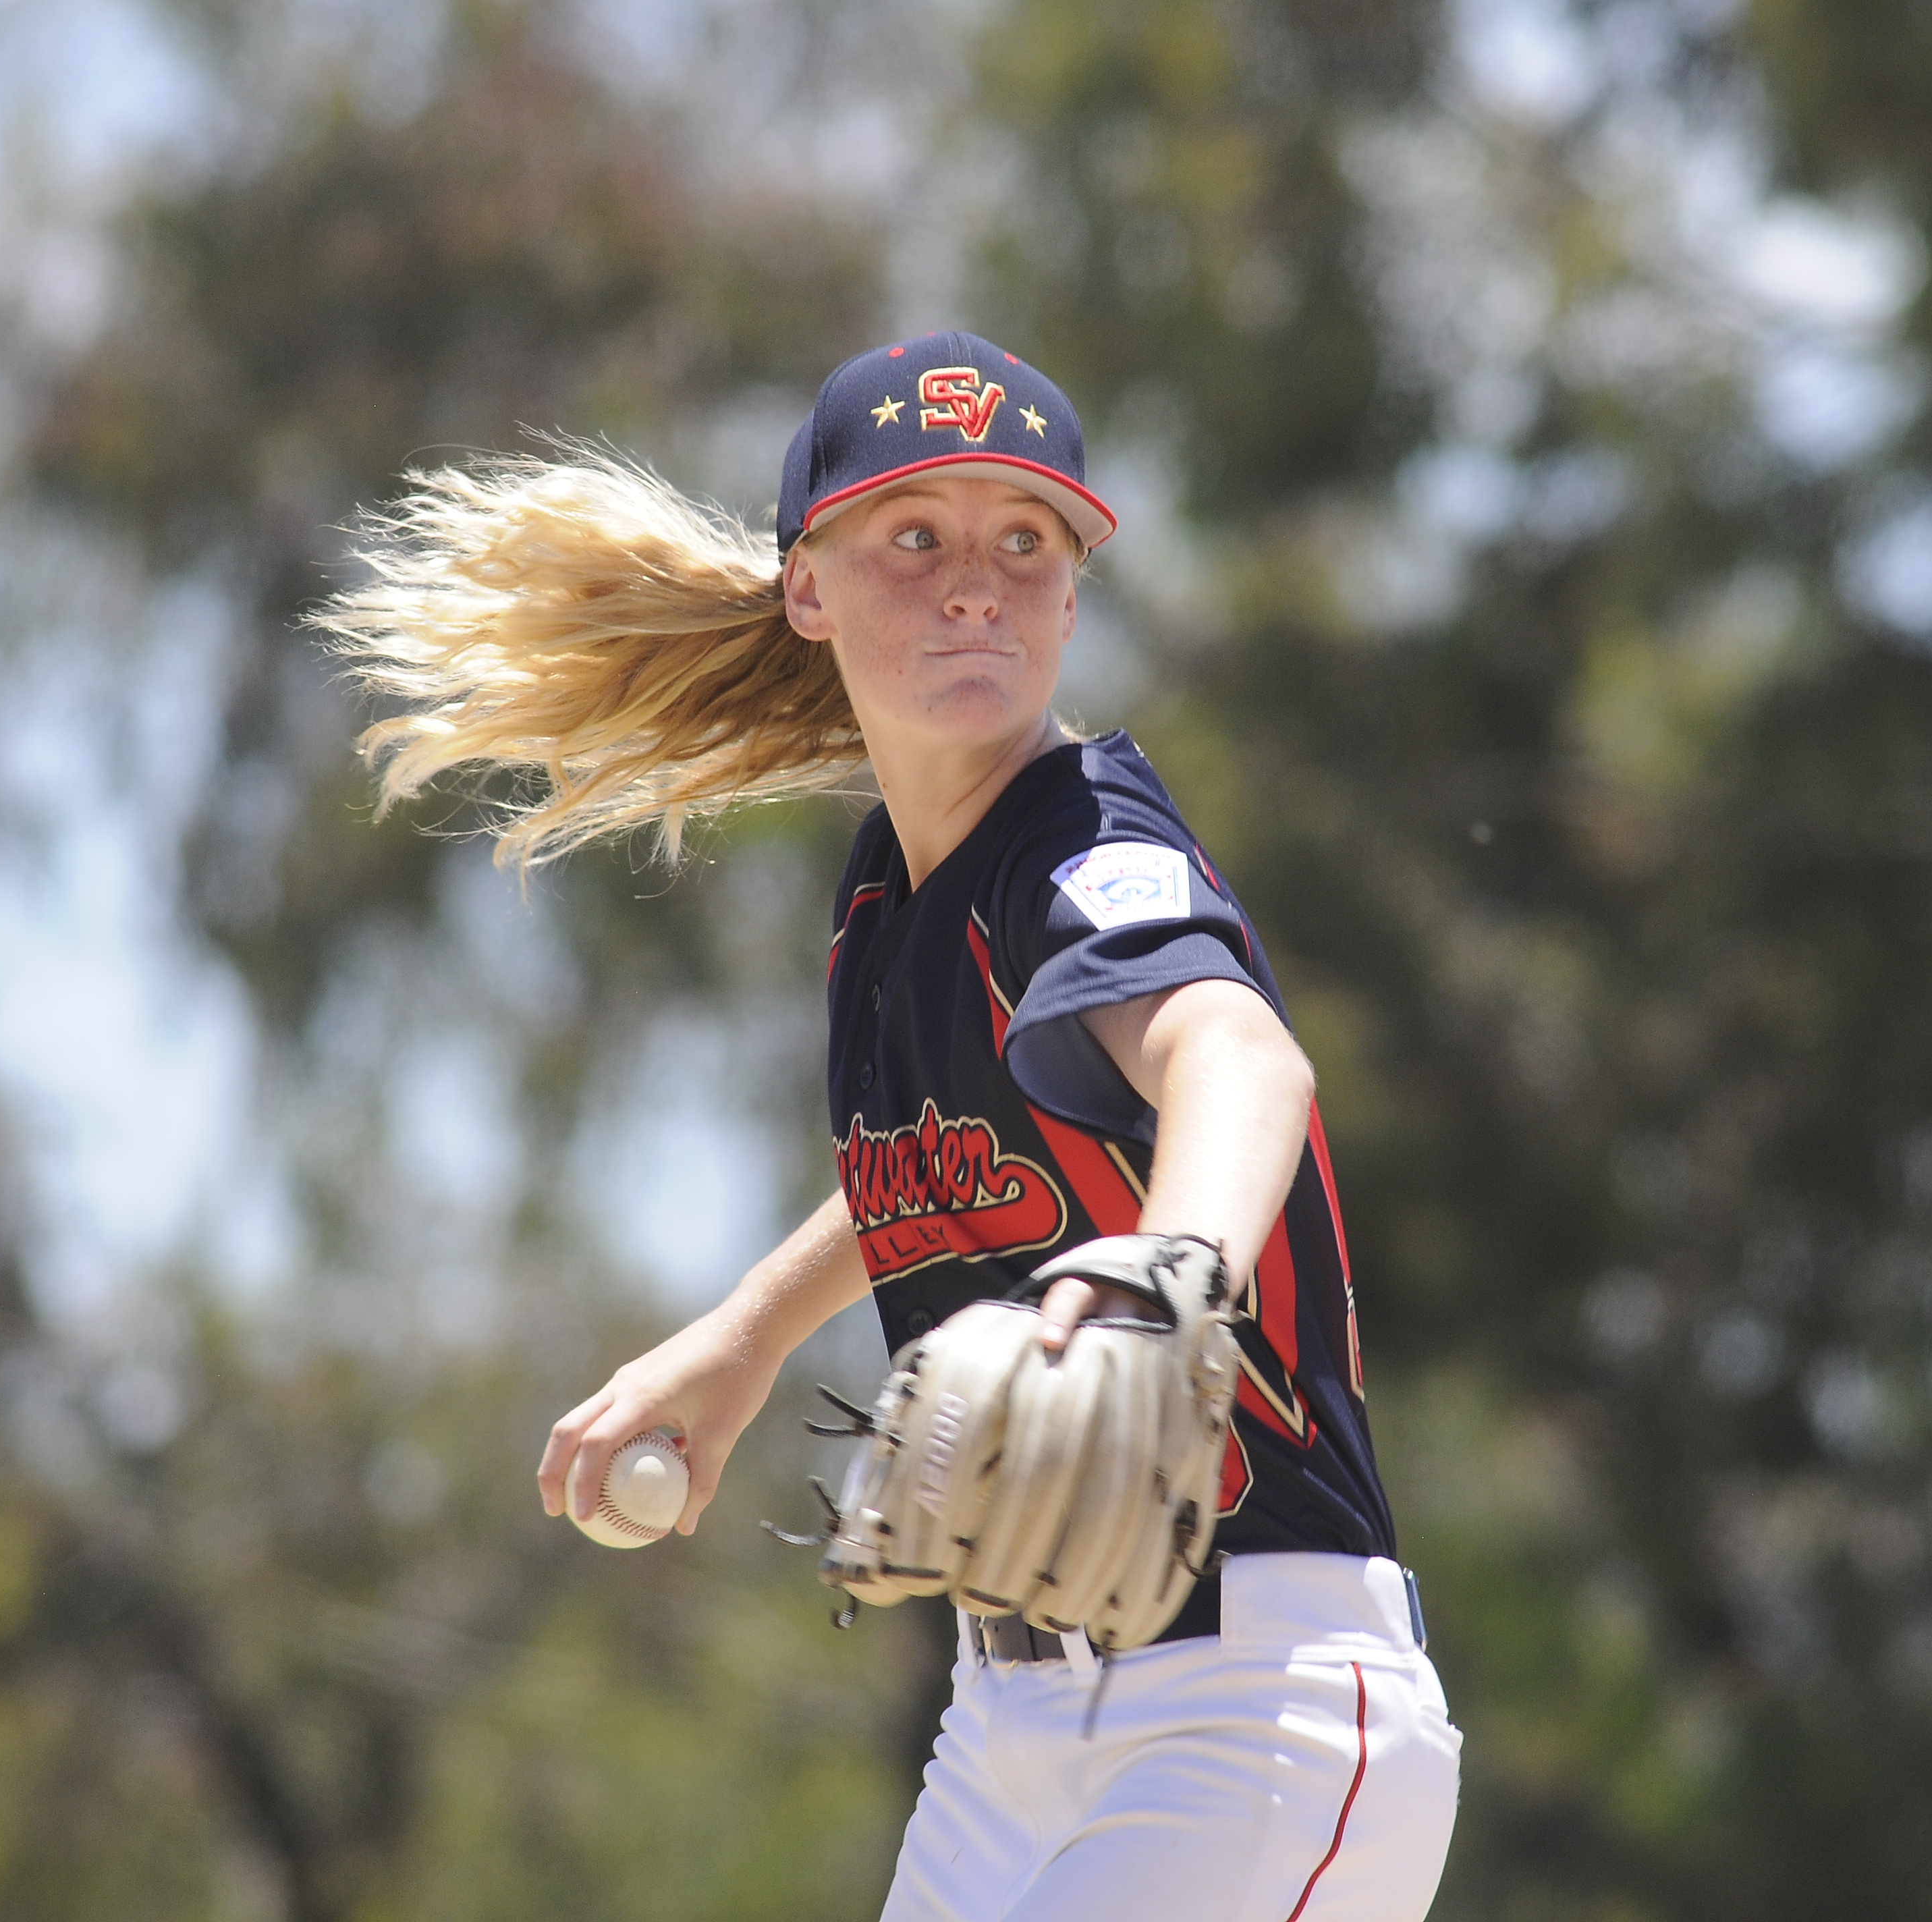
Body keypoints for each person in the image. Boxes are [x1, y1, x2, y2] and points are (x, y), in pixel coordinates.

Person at [319, 331, 1460, 1921]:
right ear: (809, 586)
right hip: (1004, 1727)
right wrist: (740, 1337)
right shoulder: (889, 896)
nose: (973, 582)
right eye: (912, 536)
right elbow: (943, 1168)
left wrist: (1164, 1268)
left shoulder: (1077, 852)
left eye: (1023, 539)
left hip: (1245, 1708)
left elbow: (1238, 1055)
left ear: (1071, 592)